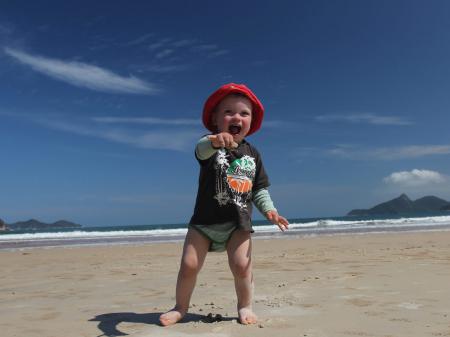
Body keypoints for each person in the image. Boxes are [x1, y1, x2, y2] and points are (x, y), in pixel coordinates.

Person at [159, 83, 289, 326]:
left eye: (244, 113)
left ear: (251, 122)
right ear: (216, 120)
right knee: (189, 266)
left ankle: (245, 306)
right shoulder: (207, 144)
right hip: (204, 222)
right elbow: (201, 150)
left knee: (242, 267)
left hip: (237, 223)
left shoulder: (253, 153)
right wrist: (215, 141)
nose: (236, 117)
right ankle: (180, 307)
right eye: (228, 112)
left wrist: (270, 210)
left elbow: (259, 188)